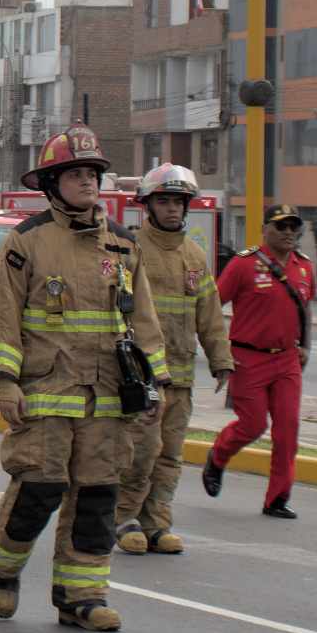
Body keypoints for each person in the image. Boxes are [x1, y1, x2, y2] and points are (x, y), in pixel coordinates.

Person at [0, 124, 166, 632]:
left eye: (92, 173)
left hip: (108, 397)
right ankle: (3, 565)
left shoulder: (124, 246)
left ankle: (81, 596)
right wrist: (8, 381)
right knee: (39, 487)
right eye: (76, 173)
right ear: (51, 182)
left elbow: (144, 322)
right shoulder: (26, 241)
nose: (87, 181)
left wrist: (157, 385)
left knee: (98, 497)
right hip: (46, 391)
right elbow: (5, 317)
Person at [115, 164, 232, 554]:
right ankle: (124, 517)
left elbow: (209, 313)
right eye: (163, 201)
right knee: (141, 451)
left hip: (180, 379)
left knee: (170, 455)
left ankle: (157, 524)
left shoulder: (195, 256)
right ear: (147, 207)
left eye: (178, 202)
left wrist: (221, 358)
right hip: (143, 379)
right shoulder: (132, 251)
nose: (171, 209)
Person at [201, 203, 315, 519]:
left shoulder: (304, 267)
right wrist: (218, 353)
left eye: (294, 227)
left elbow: (306, 308)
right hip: (248, 358)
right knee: (252, 425)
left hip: (288, 359)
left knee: (288, 428)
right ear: (265, 229)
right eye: (282, 226)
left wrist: (306, 345)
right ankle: (218, 455)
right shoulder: (243, 264)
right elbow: (212, 306)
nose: (290, 232)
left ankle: (277, 499)